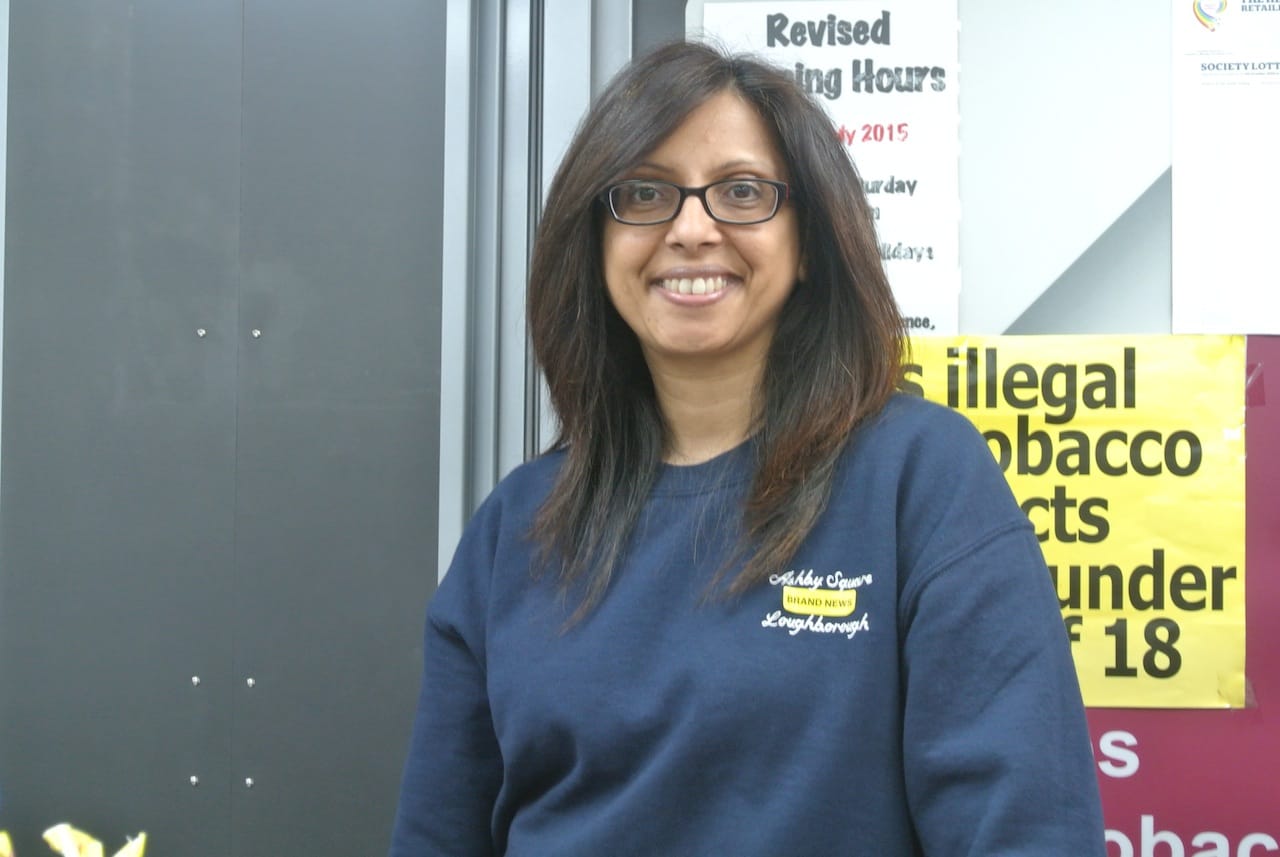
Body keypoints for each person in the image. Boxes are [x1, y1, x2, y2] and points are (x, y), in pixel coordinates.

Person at [389, 40, 1106, 856]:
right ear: (596, 242)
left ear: (809, 244)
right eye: (645, 193)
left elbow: (1026, 832)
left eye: (740, 192)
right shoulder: (513, 528)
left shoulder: (921, 480)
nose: (691, 229)